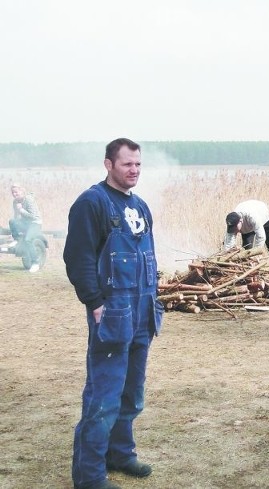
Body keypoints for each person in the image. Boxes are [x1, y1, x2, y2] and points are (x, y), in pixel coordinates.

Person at [63, 138, 164, 489]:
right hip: (112, 316)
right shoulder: (92, 203)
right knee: (103, 397)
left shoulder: (141, 206)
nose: (134, 170)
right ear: (108, 165)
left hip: (142, 315)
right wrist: (94, 302)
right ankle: (89, 476)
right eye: (127, 165)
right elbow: (78, 259)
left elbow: (147, 259)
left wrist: (157, 300)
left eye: (138, 164)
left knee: (132, 394)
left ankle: (120, 453)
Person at [224, 199, 269, 274]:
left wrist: (256, 254)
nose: (234, 231)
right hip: (248, 227)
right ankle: (248, 273)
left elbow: (261, 237)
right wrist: (228, 257)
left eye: (235, 228)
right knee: (247, 250)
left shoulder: (252, 216)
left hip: (264, 217)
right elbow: (229, 244)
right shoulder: (232, 221)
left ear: (241, 221)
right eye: (232, 229)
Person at [8, 183, 43, 272]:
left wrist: (21, 210)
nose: (14, 194)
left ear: (21, 191)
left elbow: (34, 216)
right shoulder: (15, 201)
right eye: (13, 192)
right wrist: (15, 231)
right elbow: (16, 216)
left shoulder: (29, 200)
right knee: (12, 221)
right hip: (25, 223)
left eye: (16, 192)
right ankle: (16, 240)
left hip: (35, 223)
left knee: (28, 240)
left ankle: (35, 263)